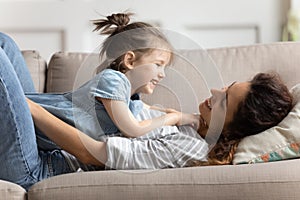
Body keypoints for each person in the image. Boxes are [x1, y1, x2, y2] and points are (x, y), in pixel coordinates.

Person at [0, 23, 293, 190]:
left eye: (225, 99)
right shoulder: (193, 127)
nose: (215, 91)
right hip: (43, 143)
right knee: (6, 44)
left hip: (40, 167)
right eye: (226, 87)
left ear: (231, 128)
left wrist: (25, 106)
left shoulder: (190, 149)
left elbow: (94, 152)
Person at [25, 13, 199, 150]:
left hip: (41, 137)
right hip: (28, 121)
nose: (162, 75)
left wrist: (182, 116)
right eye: (158, 65)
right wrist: (174, 117)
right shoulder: (114, 81)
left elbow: (150, 109)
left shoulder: (129, 96)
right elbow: (133, 130)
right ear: (130, 61)